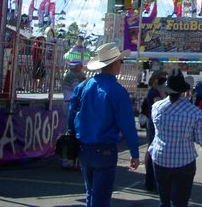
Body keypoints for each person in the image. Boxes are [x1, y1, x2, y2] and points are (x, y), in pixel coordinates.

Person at [69, 42, 140, 206]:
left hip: (84, 147)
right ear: (115, 64)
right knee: (101, 198)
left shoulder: (83, 86)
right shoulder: (118, 91)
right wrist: (134, 153)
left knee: (90, 194)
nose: (121, 65)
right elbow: (127, 125)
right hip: (105, 149)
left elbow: (72, 114)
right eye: (120, 61)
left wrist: (72, 135)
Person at [149, 69, 202, 207]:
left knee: (164, 201)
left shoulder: (156, 107)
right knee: (180, 202)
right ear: (182, 90)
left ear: (166, 89)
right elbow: (201, 140)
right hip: (184, 160)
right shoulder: (195, 112)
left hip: (160, 157)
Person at [143, 71, 167, 191]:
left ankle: (150, 180)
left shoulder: (157, 92)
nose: (164, 81)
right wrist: (163, 93)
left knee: (151, 149)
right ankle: (150, 180)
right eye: (162, 79)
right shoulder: (154, 92)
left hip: (154, 123)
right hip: (153, 123)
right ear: (156, 80)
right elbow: (160, 106)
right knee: (153, 150)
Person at [61, 60, 86, 170]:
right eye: (81, 66)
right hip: (70, 105)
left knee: (69, 133)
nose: (82, 68)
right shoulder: (73, 77)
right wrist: (83, 80)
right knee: (71, 134)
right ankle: (68, 161)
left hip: (68, 104)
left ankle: (69, 160)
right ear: (76, 66)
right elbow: (78, 90)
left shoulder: (70, 75)